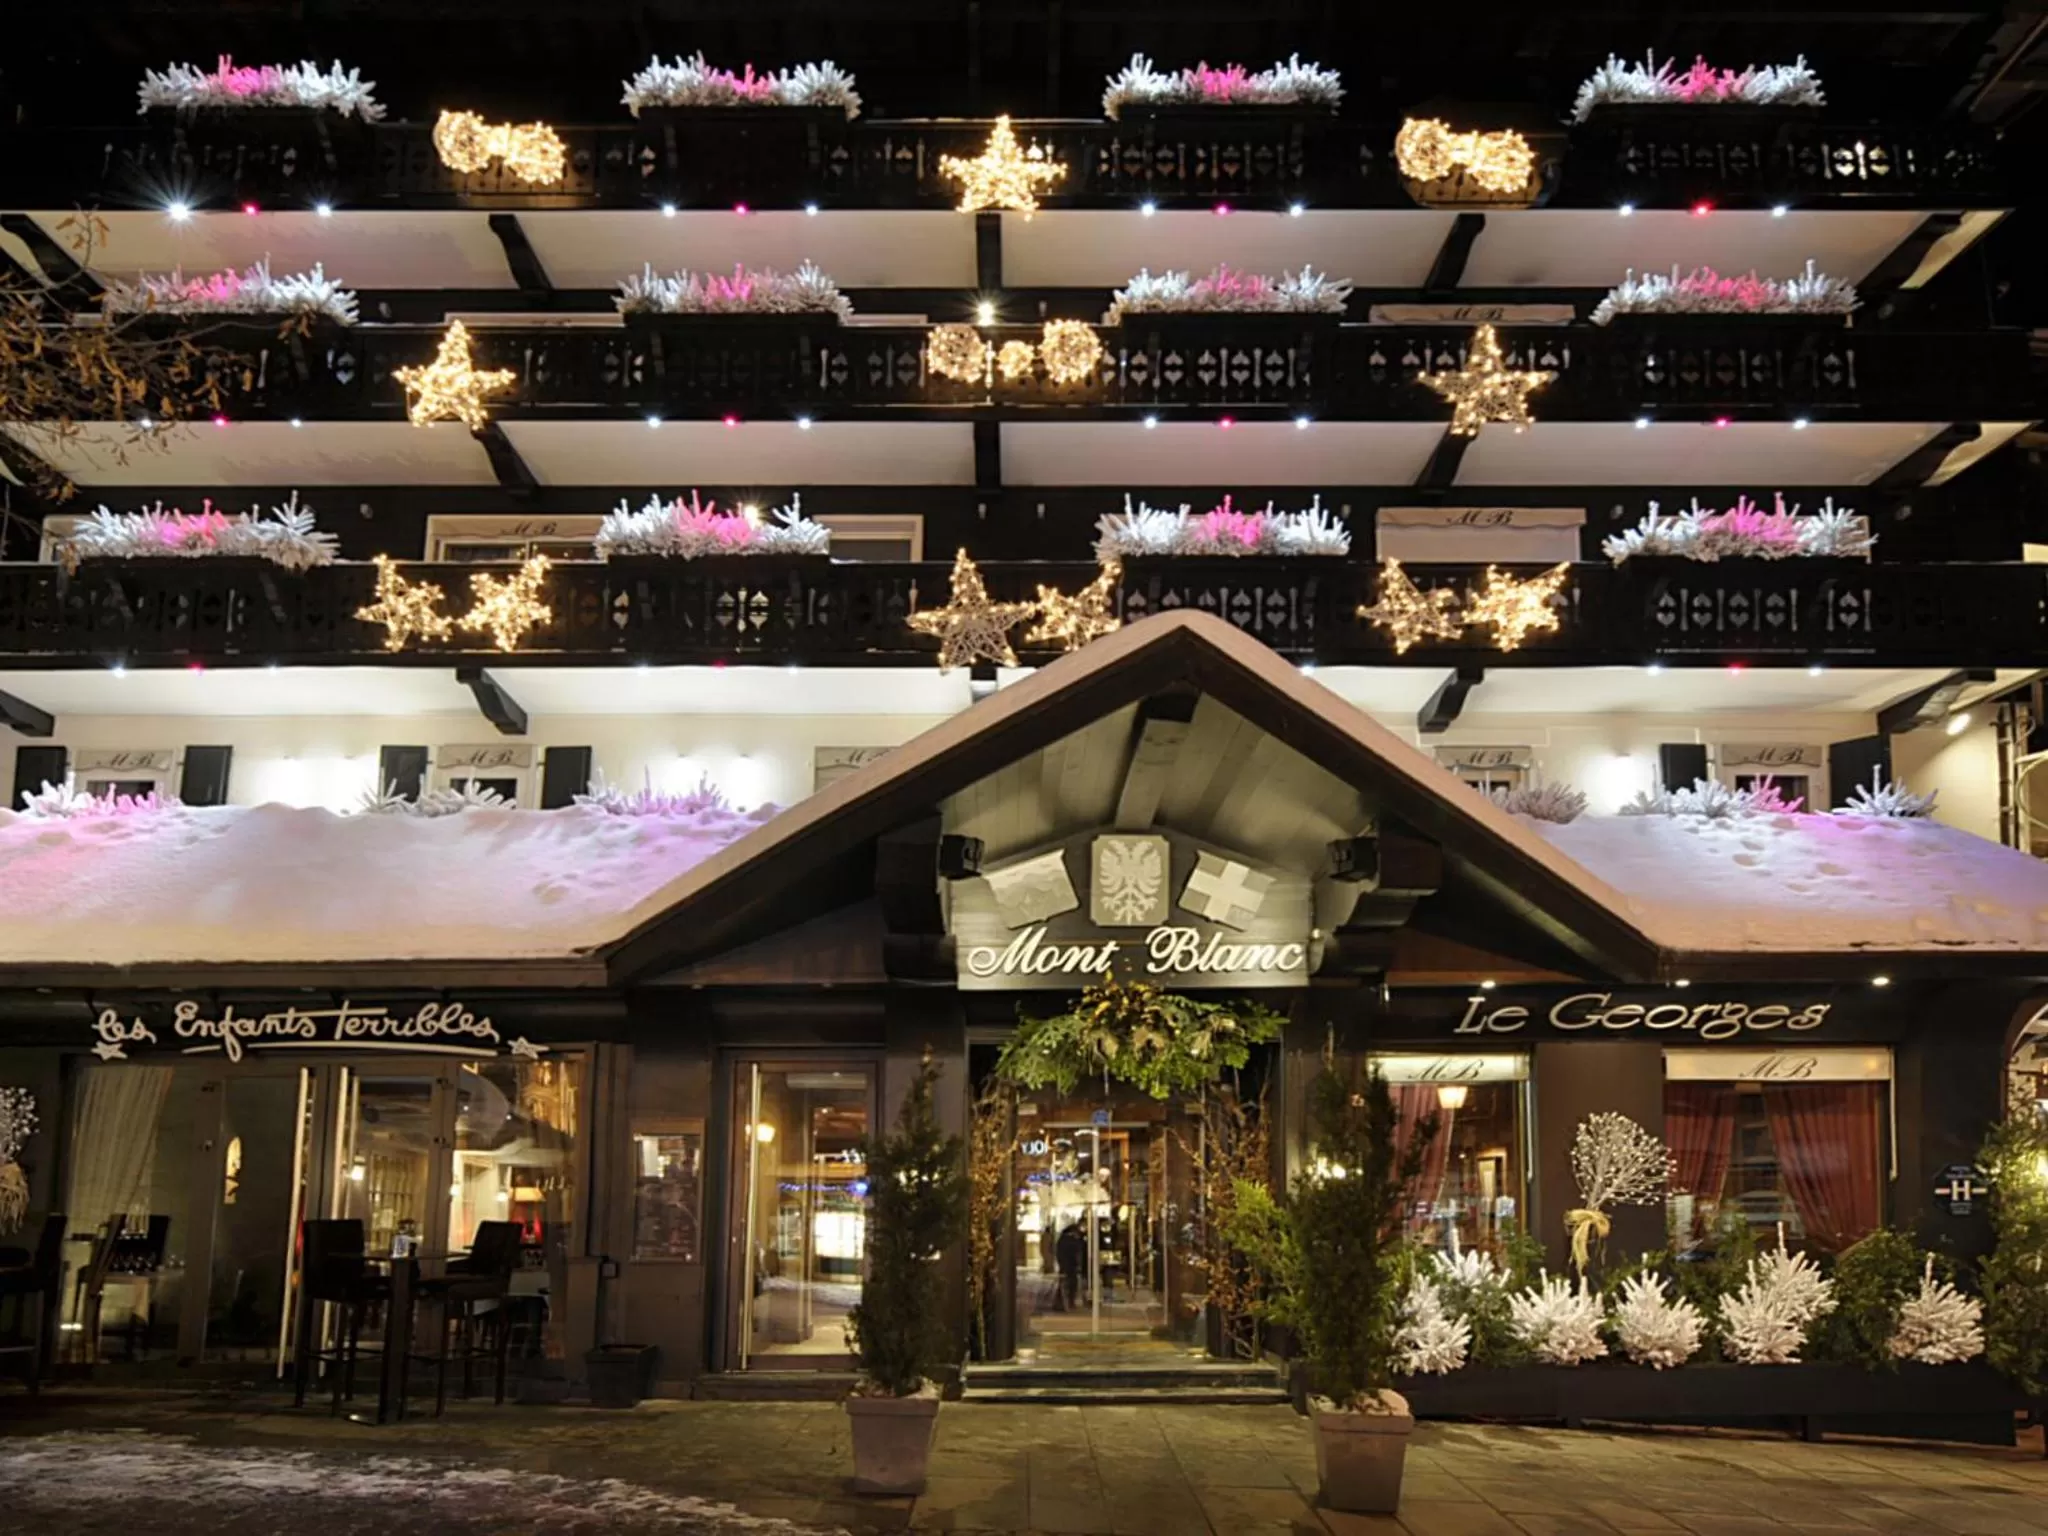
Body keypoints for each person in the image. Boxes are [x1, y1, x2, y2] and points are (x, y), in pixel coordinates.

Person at [1055, 1220, 1084, 1312]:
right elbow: (1076, 1254)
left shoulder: (1062, 1240)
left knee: (1064, 1284)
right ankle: (1067, 1303)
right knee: (1070, 1285)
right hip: (1070, 1266)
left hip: (1066, 1266)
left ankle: (1062, 1303)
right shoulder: (1072, 1241)